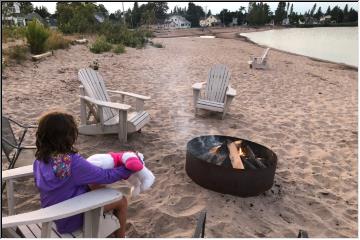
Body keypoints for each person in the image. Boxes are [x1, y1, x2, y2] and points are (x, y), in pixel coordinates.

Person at [33, 110, 133, 237]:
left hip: (52, 214)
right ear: (68, 136)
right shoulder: (72, 162)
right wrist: (128, 168)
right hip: (69, 219)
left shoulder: (40, 160)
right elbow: (106, 176)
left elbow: (53, 181)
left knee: (94, 185)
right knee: (121, 201)